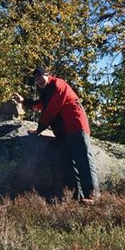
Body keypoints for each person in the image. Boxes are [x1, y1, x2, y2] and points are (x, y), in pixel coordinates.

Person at [13, 66, 99, 203]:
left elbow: (51, 109)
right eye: (36, 80)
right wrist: (24, 101)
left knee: (84, 161)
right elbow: (41, 104)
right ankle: (77, 197)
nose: (38, 81)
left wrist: (39, 129)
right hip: (63, 133)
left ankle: (92, 196)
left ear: (47, 75)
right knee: (68, 165)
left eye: (40, 77)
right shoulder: (46, 91)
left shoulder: (59, 85)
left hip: (75, 127)